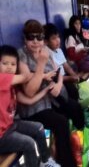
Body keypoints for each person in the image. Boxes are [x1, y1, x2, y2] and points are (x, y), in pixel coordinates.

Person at [18, 19, 79, 167]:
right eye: (31, 37)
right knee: (60, 122)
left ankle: (80, 145)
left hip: (50, 99)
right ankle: (67, 162)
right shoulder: (21, 56)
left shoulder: (45, 51)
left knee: (75, 107)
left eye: (39, 37)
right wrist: (40, 64)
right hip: (33, 108)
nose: (35, 42)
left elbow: (57, 71)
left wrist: (58, 84)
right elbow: (30, 91)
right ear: (25, 39)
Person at [0, 45, 60, 167]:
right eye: (5, 63)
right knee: (28, 143)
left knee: (39, 128)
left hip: (10, 126)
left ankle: (45, 161)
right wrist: (41, 68)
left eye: (13, 64)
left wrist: (45, 90)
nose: (9, 67)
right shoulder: (1, 79)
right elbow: (25, 76)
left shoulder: (11, 85)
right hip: (1, 136)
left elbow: (28, 101)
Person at [44, 23, 81, 100]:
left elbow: (66, 66)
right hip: (59, 81)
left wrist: (74, 76)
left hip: (65, 76)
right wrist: (71, 78)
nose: (58, 40)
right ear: (46, 41)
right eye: (53, 38)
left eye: (58, 37)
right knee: (73, 92)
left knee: (81, 82)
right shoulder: (47, 54)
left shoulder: (59, 50)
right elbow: (55, 77)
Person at [65, 15, 89, 90]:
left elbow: (82, 52)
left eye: (79, 24)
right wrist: (82, 51)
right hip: (80, 63)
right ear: (72, 25)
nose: (78, 26)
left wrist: (86, 50)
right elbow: (72, 57)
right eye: (76, 24)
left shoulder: (77, 36)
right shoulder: (70, 38)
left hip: (86, 59)